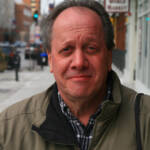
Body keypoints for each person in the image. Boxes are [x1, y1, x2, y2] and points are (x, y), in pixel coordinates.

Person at [0, 0, 150, 150]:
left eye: (91, 48)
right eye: (67, 49)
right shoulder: (7, 130)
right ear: (51, 60)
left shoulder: (145, 120)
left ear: (109, 57)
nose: (79, 62)